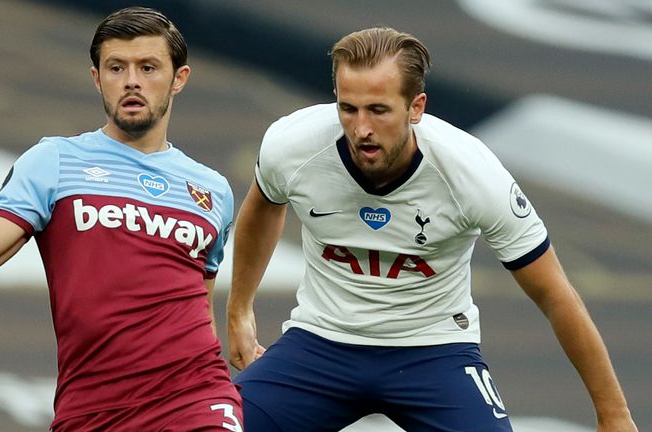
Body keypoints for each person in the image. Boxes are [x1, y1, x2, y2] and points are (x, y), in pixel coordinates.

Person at [227, 27, 637, 432]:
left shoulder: (473, 174)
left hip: (434, 350)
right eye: (348, 108)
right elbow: (264, 206)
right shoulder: (293, 144)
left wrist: (614, 415)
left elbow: (554, 294)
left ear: (416, 107)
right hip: (320, 342)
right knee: (213, 426)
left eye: (378, 109)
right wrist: (240, 310)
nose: (361, 128)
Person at [0, 7, 243, 432]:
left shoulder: (212, 189)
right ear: (97, 78)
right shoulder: (56, 161)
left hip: (196, 395)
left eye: (148, 67)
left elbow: (200, 298)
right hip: (94, 407)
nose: (132, 81)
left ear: (179, 78)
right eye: (116, 67)